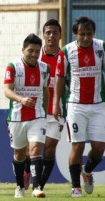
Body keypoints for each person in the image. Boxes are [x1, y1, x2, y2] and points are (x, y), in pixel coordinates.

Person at [53, 16, 105, 198]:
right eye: (82, 34)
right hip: (76, 105)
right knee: (78, 146)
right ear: (75, 33)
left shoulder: (101, 48)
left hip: (99, 105)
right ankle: (75, 187)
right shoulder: (66, 51)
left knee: (99, 148)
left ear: (94, 34)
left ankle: (87, 171)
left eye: (89, 34)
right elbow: (59, 78)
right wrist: (55, 103)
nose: (85, 37)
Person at [4, 33, 49, 198]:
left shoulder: (44, 68)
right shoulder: (13, 67)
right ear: (23, 50)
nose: (34, 55)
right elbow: (6, 90)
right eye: (31, 51)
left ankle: (36, 187)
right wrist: (21, 99)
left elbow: (45, 91)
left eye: (37, 51)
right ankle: (19, 187)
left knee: (36, 148)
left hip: (37, 115)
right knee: (19, 155)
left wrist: (47, 111)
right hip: (16, 116)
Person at [23, 19, 66, 191]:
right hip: (35, 109)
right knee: (30, 150)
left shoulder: (65, 56)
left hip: (57, 110)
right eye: (48, 32)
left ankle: (39, 186)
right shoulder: (35, 54)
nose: (51, 36)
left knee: (49, 148)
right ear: (43, 35)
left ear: (60, 35)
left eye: (55, 32)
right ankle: (26, 170)